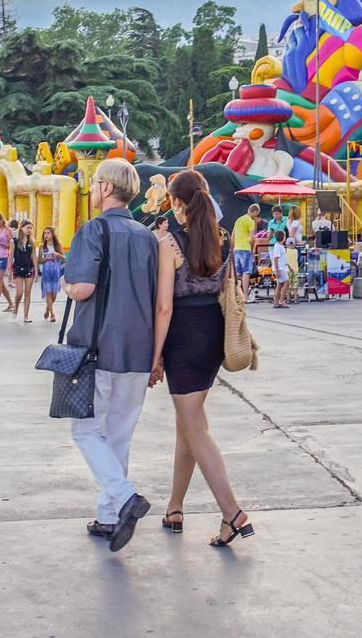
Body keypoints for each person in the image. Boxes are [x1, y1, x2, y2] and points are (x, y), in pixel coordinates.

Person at [151, 169, 255, 548]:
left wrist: (155, 355)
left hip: (182, 337)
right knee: (187, 426)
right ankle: (175, 507)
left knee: (195, 427)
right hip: (213, 336)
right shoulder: (223, 241)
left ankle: (232, 512)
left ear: (177, 204)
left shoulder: (169, 245)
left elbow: (163, 308)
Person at [63, 158, 158, 553]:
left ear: (104, 187)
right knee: (119, 433)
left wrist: (66, 285)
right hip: (139, 347)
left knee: (85, 430)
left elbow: (82, 287)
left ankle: (125, 496)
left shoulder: (93, 230)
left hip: (98, 345)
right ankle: (109, 515)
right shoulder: (147, 236)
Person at [0, 213, 17, 313]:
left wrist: (3, 244)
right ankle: (11, 303)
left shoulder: (7, 230)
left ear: (2, 220)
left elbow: (11, 244)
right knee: (0, 283)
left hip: (3, 257)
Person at [231, 204, 259, 301]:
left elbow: (232, 237)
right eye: (256, 214)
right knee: (246, 273)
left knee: (237, 274)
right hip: (245, 248)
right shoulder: (250, 222)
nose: (256, 216)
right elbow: (252, 238)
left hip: (236, 249)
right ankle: (245, 296)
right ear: (255, 212)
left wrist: (234, 247)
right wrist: (251, 249)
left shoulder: (238, 220)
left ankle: (236, 296)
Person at [10, 219, 36, 323]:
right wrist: (9, 270)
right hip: (17, 267)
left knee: (28, 292)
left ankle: (26, 315)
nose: (29, 230)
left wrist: (36, 271)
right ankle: (16, 306)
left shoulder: (31, 242)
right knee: (19, 293)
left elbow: (34, 256)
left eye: (30, 228)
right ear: (21, 228)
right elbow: (11, 256)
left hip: (28, 268)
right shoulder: (14, 241)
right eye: (27, 227)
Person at [38, 226, 64, 322]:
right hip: (46, 273)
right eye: (45, 233)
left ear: (52, 234)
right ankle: (53, 314)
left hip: (56, 272)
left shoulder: (58, 245)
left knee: (54, 295)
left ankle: (47, 309)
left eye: (48, 233)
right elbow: (39, 260)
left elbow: (64, 258)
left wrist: (57, 255)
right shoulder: (42, 246)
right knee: (48, 292)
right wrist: (47, 258)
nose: (46, 235)